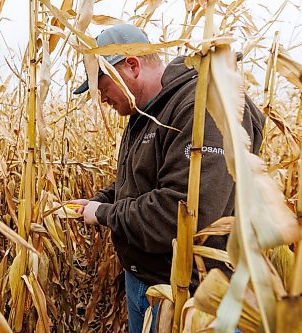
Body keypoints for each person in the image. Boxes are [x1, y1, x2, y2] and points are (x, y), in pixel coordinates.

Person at [70, 24, 264, 333]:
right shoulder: (144, 113)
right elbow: (139, 181)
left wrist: (104, 214)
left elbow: (183, 211)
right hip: (149, 286)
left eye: (102, 87)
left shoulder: (201, 108)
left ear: (131, 66)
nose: (102, 99)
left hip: (194, 300)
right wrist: (101, 200)